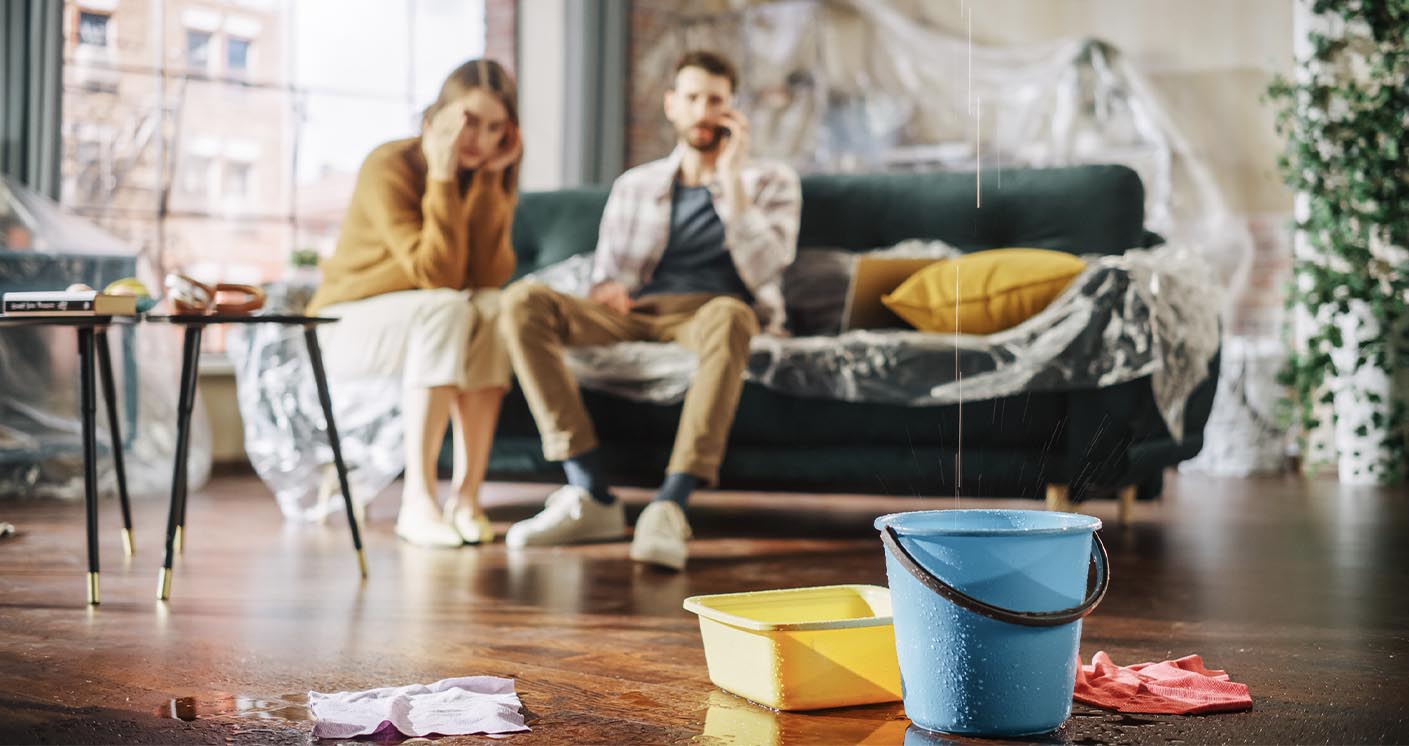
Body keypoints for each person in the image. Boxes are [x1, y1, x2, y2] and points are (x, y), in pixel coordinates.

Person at [498, 50, 802, 570]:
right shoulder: (634, 185)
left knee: (733, 314)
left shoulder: (770, 181)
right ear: (671, 106)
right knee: (521, 300)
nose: (703, 110)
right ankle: (590, 491)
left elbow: (768, 267)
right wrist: (608, 288)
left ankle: (670, 504)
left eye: (715, 100)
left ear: (732, 110)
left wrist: (729, 181)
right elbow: (607, 274)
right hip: (637, 312)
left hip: (713, 314)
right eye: (692, 98)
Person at [306, 59, 522, 548]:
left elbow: (487, 277)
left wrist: (490, 182)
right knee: (446, 305)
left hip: (426, 321)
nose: (478, 138)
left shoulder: (484, 174)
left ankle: (467, 497)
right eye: (468, 121)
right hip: (344, 325)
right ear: (436, 117)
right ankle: (418, 501)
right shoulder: (390, 165)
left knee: (493, 307)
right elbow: (438, 276)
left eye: (494, 128)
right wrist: (442, 177)